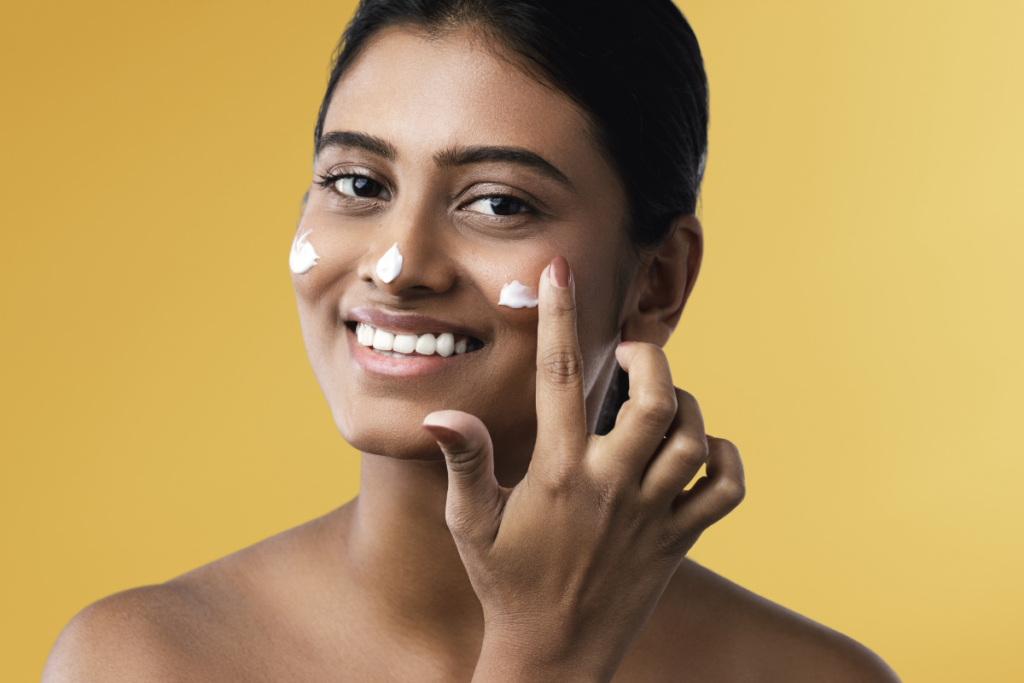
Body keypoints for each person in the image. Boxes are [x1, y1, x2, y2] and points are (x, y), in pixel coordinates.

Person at [43, 1, 900, 680]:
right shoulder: (140, 662)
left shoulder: (811, 675)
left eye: (497, 203)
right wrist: (545, 658)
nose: (398, 263)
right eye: (356, 182)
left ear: (658, 281)